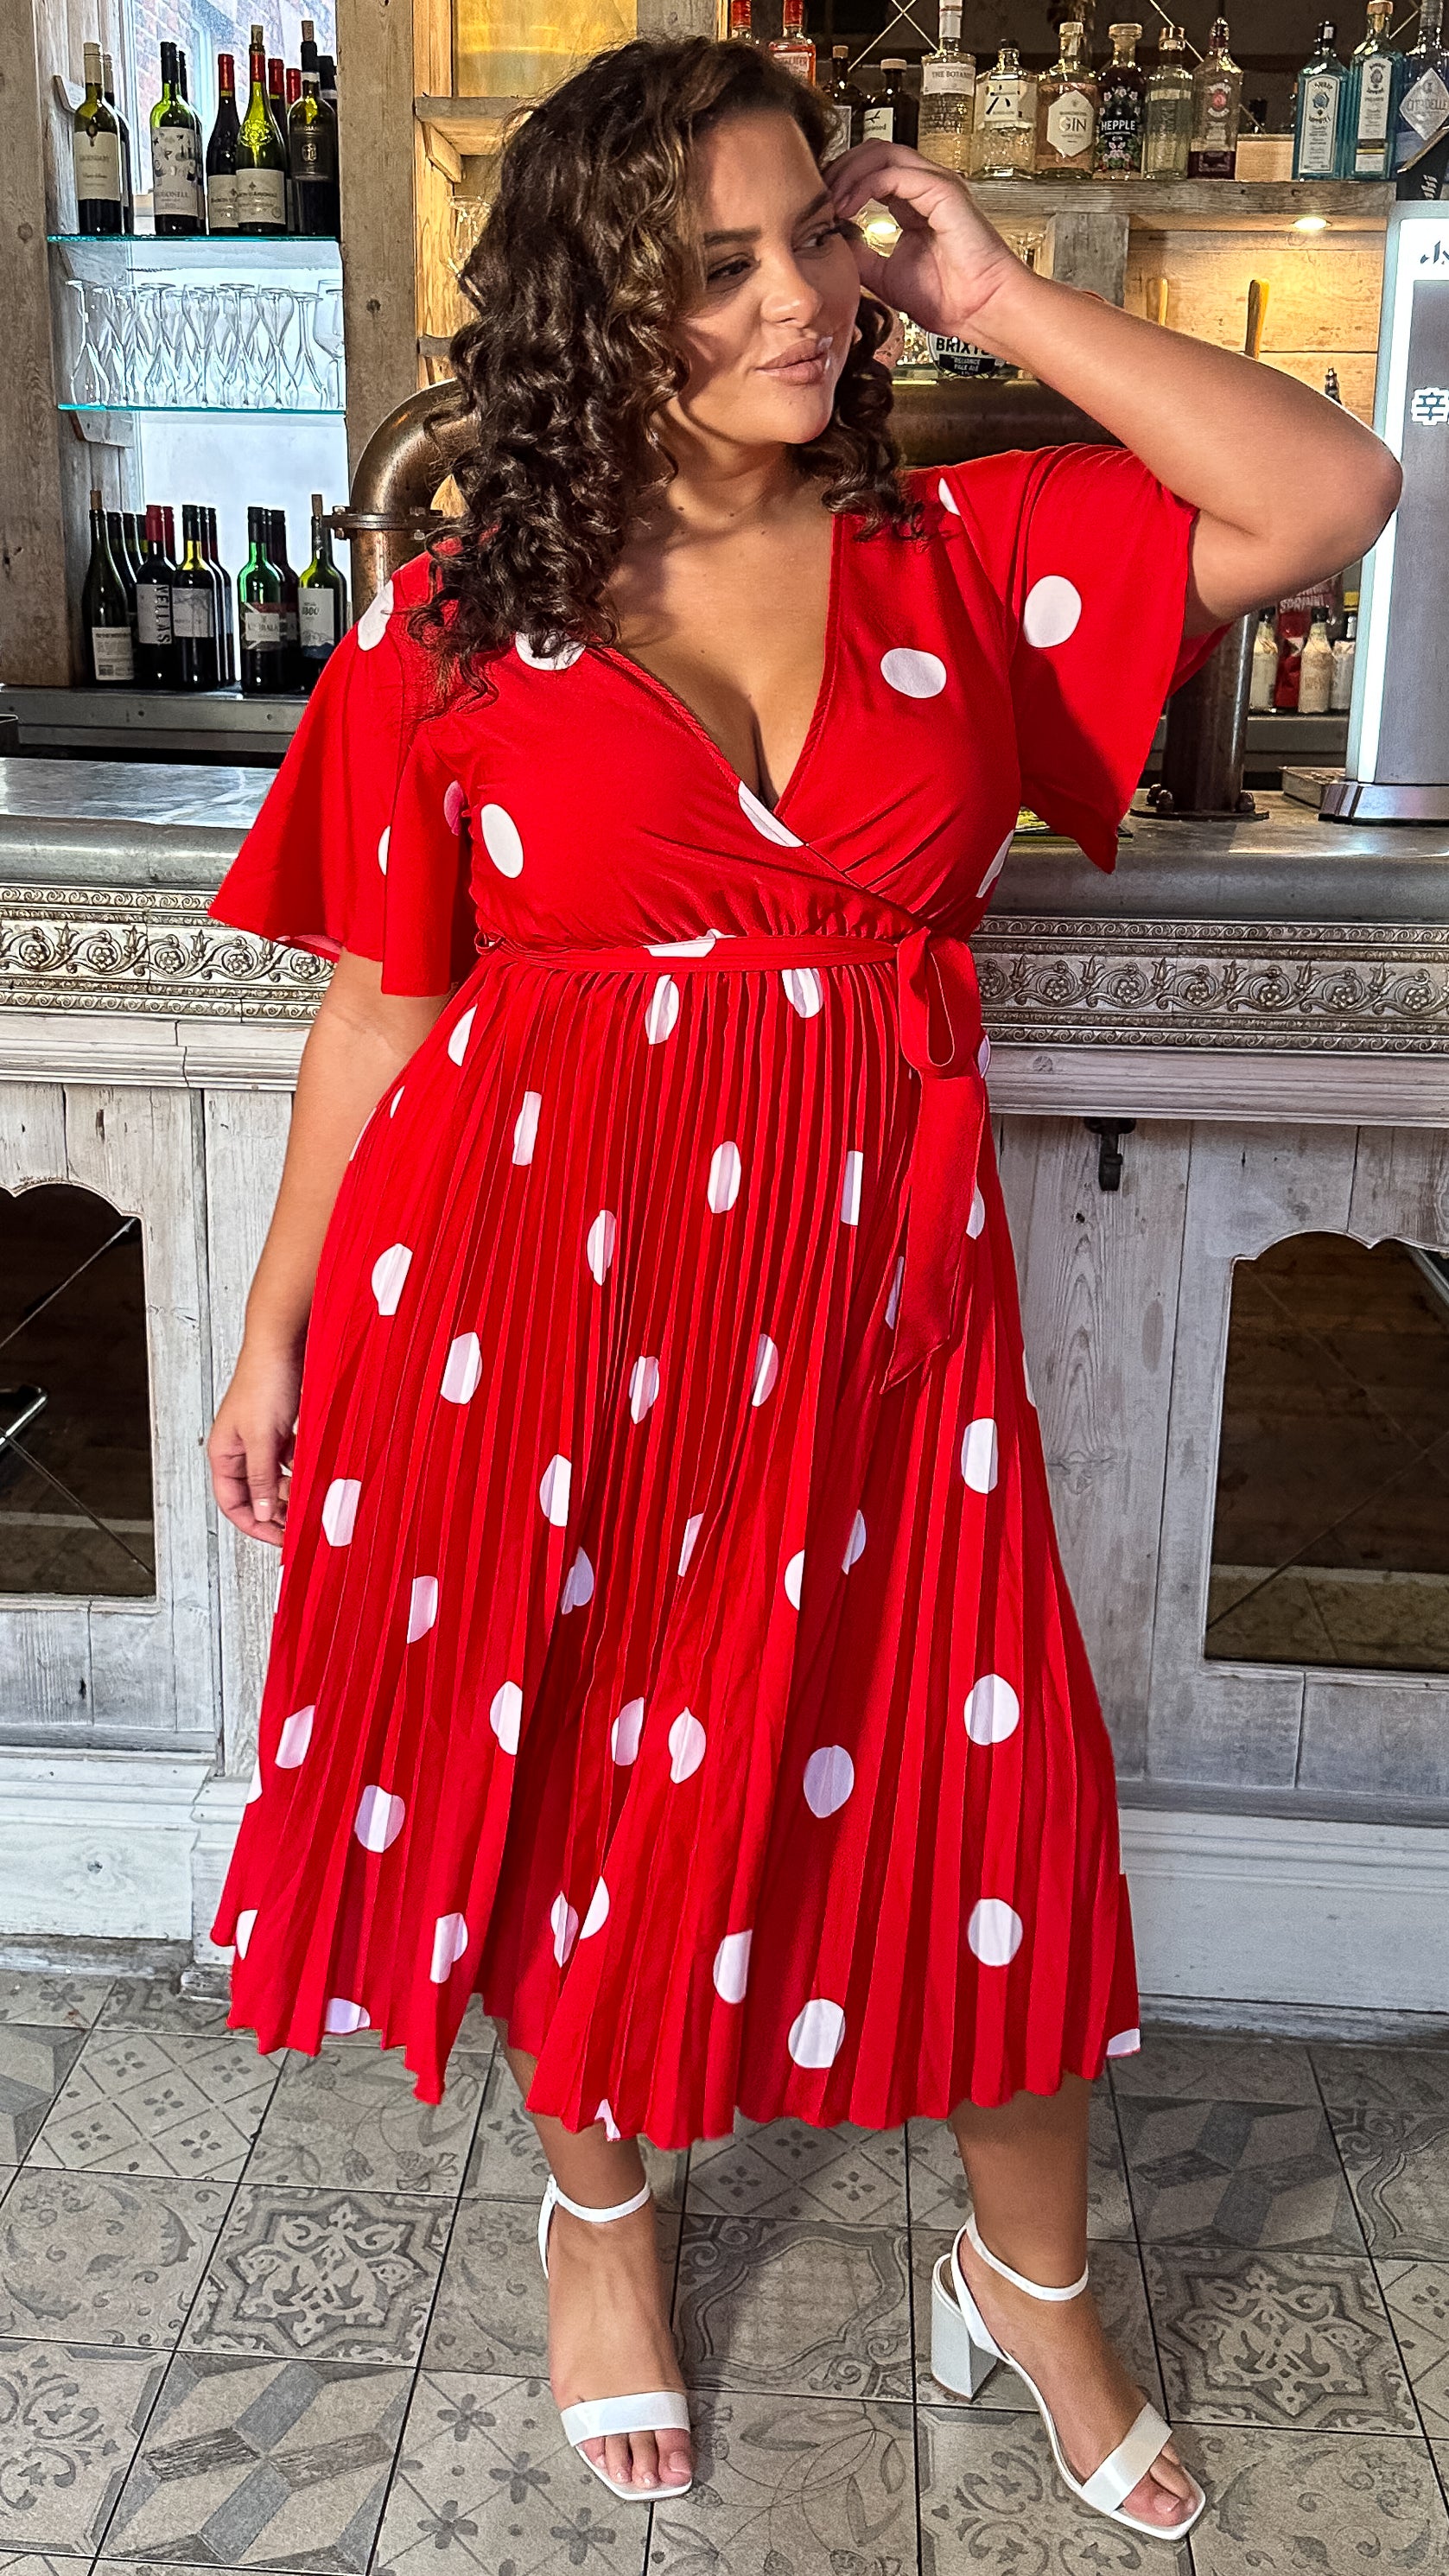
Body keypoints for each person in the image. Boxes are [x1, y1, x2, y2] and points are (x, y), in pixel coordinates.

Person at [205, 34, 1399, 2544]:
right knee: (576, 1774)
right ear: (592, 303)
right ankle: (605, 2220)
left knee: (988, 1788)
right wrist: (275, 1320)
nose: (800, 303)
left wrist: (995, 290)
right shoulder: (457, 626)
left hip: (877, 1326)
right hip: (530, 1300)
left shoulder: (967, 550)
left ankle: (1030, 2281)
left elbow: (1330, 493)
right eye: (722, 265)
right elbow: (384, 1009)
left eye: (817, 243)